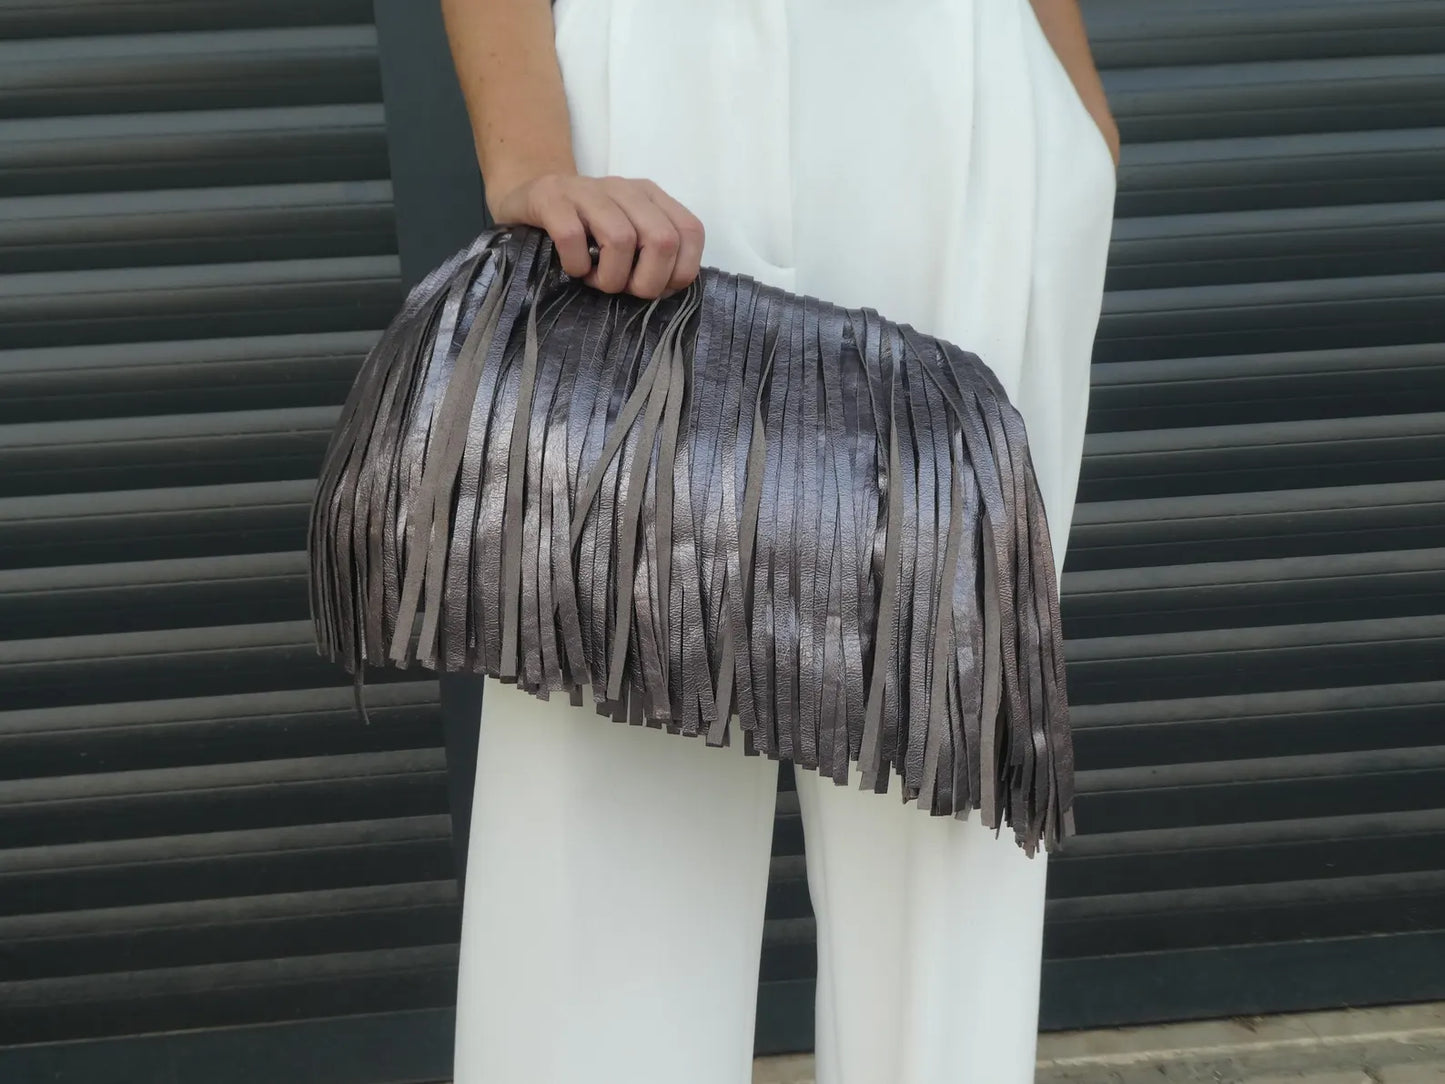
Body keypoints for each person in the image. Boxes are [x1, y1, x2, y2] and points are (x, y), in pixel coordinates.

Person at [437, 1, 1118, 1081]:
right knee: (597, 755)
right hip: (644, 86)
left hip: (957, 92)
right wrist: (526, 148)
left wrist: (1073, 112)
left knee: (941, 776)